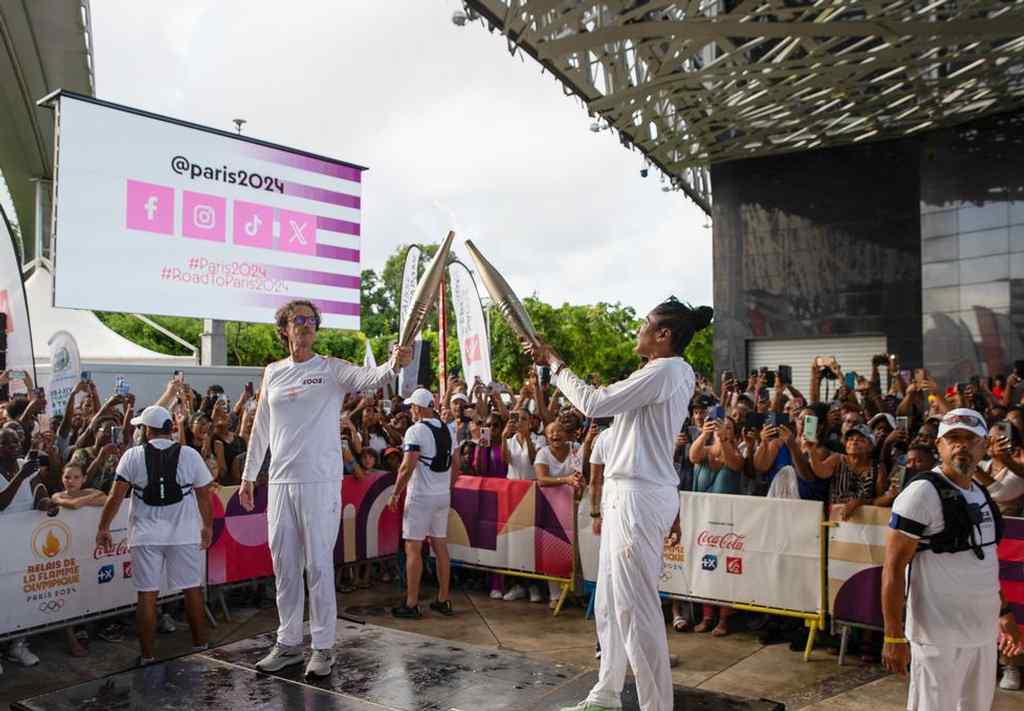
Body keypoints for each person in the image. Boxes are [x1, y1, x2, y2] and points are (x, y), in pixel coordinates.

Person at [532, 297, 709, 711]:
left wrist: (555, 363)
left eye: (645, 325)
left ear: (663, 335)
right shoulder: (655, 372)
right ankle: (606, 694)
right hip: (624, 493)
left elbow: (593, 403)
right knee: (611, 602)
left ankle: (655, 706)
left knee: (636, 607)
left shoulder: (669, 370)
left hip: (638, 496)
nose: (638, 331)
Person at [239, 299, 411, 677]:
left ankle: (322, 647)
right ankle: (287, 644)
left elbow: (373, 378)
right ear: (283, 328)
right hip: (281, 481)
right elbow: (261, 428)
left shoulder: (330, 369)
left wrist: (395, 363)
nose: (305, 325)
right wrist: (249, 475)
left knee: (318, 565)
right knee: (284, 566)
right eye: (297, 320)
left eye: (311, 320)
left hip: (319, 482)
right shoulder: (273, 373)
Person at [881, 408, 1024, 710]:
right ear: (939, 446)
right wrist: (893, 637)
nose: (961, 445)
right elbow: (893, 569)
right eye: (953, 439)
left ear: (984, 445)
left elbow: (983, 562)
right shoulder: (920, 493)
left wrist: (1004, 612)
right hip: (937, 638)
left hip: (982, 634)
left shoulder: (982, 494)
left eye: (970, 439)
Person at [96, 405, 214, 666]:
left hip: (145, 535)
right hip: (184, 534)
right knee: (192, 589)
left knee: (147, 594)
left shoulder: (132, 456)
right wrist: (207, 527)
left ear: (148, 429)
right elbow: (205, 495)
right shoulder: (190, 455)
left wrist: (103, 527)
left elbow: (116, 497)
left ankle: (148, 656)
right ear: (170, 428)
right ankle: (201, 647)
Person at [387, 388, 460, 617]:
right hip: (442, 495)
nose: (410, 411)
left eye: (412, 407)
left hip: (420, 497)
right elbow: (456, 463)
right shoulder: (449, 429)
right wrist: (448, 486)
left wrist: (395, 493)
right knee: (440, 546)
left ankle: (411, 603)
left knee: (413, 548)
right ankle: (443, 599)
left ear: (418, 408)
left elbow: (407, 466)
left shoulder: (414, 431)